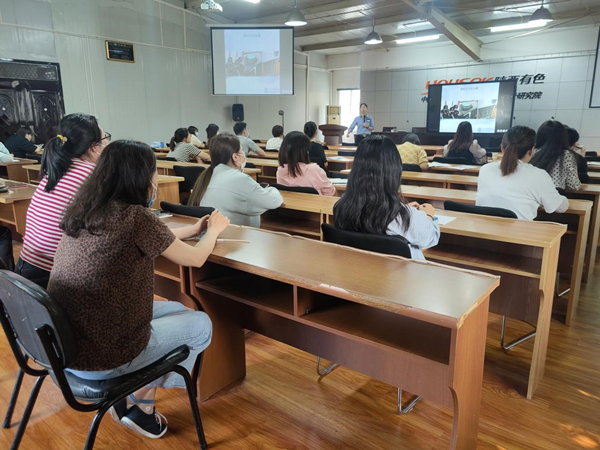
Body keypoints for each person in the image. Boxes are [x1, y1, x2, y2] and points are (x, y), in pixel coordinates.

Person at [49, 140, 230, 439]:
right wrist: (214, 231)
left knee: (178, 309)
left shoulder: (87, 211)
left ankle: (131, 397)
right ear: (141, 176)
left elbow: (157, 234)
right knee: (201, 324)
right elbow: (196, 259)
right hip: (102, 356)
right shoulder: (135, 217)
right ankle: (140, 403)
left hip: (67, 345)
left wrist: (194, 229)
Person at [15, 113, 108, 288]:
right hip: (52, 274)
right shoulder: (93, 175)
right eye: (105, 139)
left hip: (27, 265)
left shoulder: (59, 168)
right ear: (94, 147)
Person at [333, 135, 440, 260]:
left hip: (359, 267)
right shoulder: (404, 218)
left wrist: (403, 208)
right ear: (394, 170)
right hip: (399, 272)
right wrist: (428, 216)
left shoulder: (342, 207)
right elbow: (430, 238)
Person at [188, 133, 283, 227]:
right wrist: (272, 189)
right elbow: (273, 202)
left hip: (214, 233)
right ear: (235, 157)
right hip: (237, 235)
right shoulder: (240, 179)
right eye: (242, 151)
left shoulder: (209, 175)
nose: (244, 154)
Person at [476, 125, 569, 220]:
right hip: (518, 229)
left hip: (483, 228)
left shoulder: (485, 169)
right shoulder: (538, 175)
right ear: (532, 150)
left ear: (502, 148)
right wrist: (563, 199)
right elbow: (560, 207)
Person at [530, 120, 584, 191]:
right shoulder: (567, 155)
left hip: (531, 193)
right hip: (555, 195)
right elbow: (573, 185)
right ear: (563, 137)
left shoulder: (531, 152)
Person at [276, 131, 335, 196]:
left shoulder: (280, 171)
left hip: (289, 202)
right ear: (305, 151)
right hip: (314, 202)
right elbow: (329, 192)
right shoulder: (313, 169)